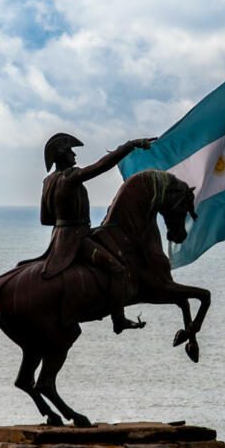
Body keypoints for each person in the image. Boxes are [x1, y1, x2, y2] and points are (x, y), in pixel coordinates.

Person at [39, 132, 156, 333]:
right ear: (61, 155)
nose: (74, 156)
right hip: (77, 239)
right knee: (117, 269)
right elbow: (101, 166)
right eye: (70, 152)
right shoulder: (71, 176)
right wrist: (129, 145)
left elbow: (45, 219)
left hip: (58, 238)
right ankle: (118, 319)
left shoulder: (48, 181)